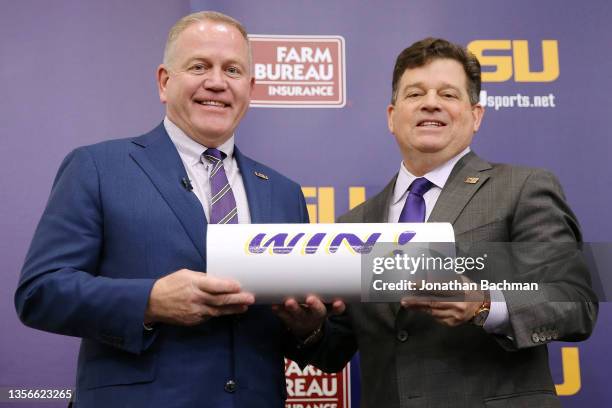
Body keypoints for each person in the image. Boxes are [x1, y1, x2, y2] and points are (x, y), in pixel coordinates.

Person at [15, 11, 334, 408]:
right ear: (165, 82)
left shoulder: (285, 193)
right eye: (199, 66)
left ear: (250, 88)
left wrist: (306, 327)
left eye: (232, 69)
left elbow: (303, 343)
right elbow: (40, 293)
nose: (216, 82)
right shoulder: (97, 168)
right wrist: (149, 300)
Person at [307, 38, 598, 407]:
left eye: (448, 93)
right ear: (391, 116)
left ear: (475, 115)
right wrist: (309, 327)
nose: (431, 102)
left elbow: (575, 303)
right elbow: (335, 348)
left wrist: (485, 303)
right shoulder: (354, 224)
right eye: (416, 94)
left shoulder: (523, 188)